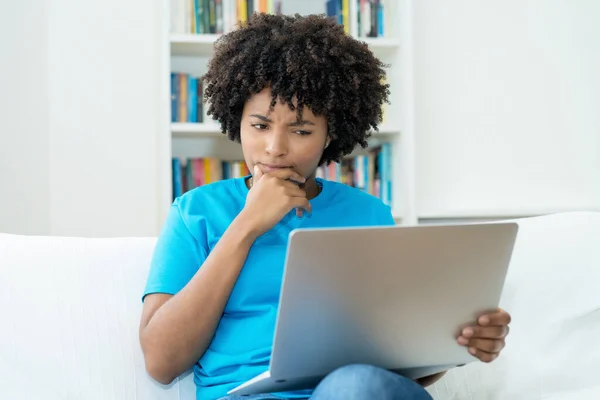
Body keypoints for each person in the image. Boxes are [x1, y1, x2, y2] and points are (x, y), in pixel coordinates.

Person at [139, 12, 512, 400]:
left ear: (330, 134)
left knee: (358, 385)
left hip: (353, 392)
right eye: (260, 126)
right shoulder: (195, 211)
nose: (275, 148)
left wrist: (455, 345)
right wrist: (246, 225)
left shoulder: (369, 215)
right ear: (237, 120)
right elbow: (162, 363)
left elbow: (395, 369)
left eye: (301, 130)